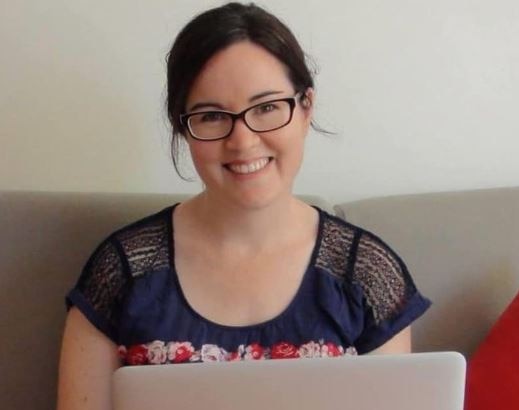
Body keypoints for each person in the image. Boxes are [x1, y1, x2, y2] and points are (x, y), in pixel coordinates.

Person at [56, 2, 431, 409]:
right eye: (213, 115)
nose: (243, 141)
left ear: (306, 108)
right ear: (183, 128)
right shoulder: (123, 270)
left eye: (267, 107)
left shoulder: (367, 276)